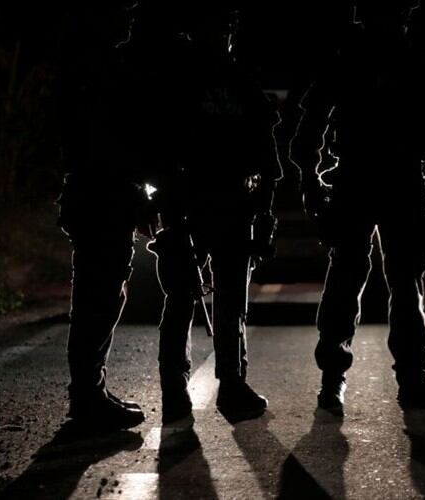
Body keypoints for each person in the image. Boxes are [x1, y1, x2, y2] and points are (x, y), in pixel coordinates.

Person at [290, 2, 425, 414]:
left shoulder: (371, 61)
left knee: (384, 281)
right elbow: (307, 133)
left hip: (379, 182)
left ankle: (354, 379)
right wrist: (311, 184)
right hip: (377, 182)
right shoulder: (390, 62)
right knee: (374, 280)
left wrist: (312, 184)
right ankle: (368, 379)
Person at [146, 3, 282, 424]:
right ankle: (174, 387)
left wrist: (263, 210)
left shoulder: (240, 81)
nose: (221, 33)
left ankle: (233, 383)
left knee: (230, 303)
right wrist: (164, 203)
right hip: (187, 204)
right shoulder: (175, 79)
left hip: (233, 205)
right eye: (214, 24)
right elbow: (154, 142)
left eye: (225, 25)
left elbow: (265, 153)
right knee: (182, 298)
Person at [54, 1, 170, 431]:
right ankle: (87, 396)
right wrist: (138, 193)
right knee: (98, 296)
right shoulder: (105, 71)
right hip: (101, 196)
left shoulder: (100, 67)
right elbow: (111, 147)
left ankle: (89, 392)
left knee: (100, 295)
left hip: (99, 195)